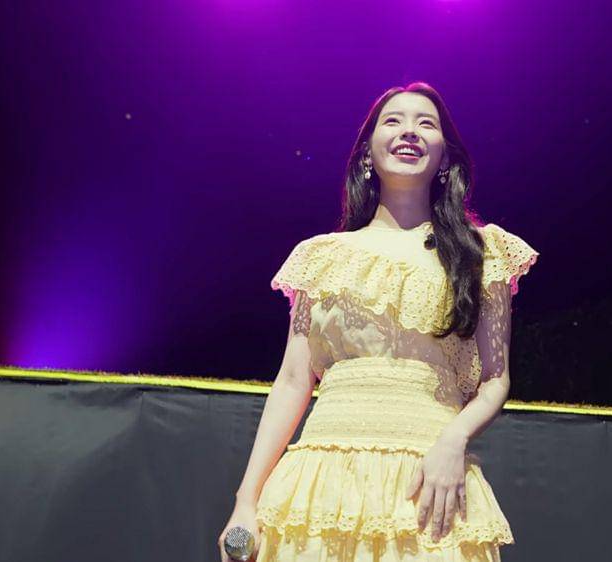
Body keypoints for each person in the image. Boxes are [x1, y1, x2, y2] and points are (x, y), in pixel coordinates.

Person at [218, 82, 539, 561]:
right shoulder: (320, 256)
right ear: (367, 153)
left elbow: (495, 379)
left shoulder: (481, 252)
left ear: (445, 157)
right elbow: (292, 382)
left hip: (428, 481)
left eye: (425, 123)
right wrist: (246, 502)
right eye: (393, 121)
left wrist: (453, 441)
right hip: (321, 481)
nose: (409, 131)